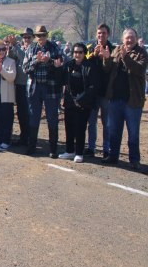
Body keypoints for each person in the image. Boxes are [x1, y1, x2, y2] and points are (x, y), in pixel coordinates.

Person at [102, 28, 148, 169]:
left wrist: (126, 57)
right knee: (114, 131)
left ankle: (134, 160)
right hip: (115, 99)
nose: (129, 40)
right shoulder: (117, 50)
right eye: (127, 37)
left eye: (132, 37)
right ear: (123, 39)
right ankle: (113, 156)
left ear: (136, 38)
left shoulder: (142, 53)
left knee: (133, 133)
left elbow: (139, 70)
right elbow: (107, 70)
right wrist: (106, 58)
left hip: (132, 100)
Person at [23, 25, 64, 158]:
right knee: (34, 117)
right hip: (35, 87)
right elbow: (25, 68)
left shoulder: (54, 47)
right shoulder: (31, 49)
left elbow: (62, 63)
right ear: (36, 37)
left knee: (52, 118)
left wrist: (49, 61)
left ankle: (53, 149)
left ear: (47, 35)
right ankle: (31, 146)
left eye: (43, 35)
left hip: (50, 87)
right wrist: (36, 60)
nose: (41, 38)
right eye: (39, 36)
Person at [58, 42, 98, 163]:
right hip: (70, 101)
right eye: (75, 52)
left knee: (80, 128)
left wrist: (80, 99)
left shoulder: (89, 66)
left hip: (83, 103)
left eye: (80, 52)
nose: (77, 54)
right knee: (69, 127)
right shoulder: (69, 65)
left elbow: (92, 86)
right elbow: (62, 80)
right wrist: (58, 68)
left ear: (84, 53)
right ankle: (70, 151)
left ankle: (79, 152)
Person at [85, 23, 114, 158]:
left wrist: (106, 58)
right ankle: (91, 147)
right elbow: (84, 65)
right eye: (99, 33)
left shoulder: (113, 49)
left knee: (106, 122)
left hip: (106, 92)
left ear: (108, 34)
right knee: (92, 122)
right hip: (93, 91)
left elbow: (112, 69)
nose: (101, 35)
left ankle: (106, 149)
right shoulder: (90, 47)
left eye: (103, 33)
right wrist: (94, 55)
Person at [7, 29, 32, 146]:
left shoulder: (33, 49)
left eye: (28, 37)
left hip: (30, 86)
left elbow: (24, 57)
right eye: (25, 37)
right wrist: (11, 48)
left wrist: (14, 45)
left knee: (29, 113)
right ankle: (23, 137)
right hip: (20, 85)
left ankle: (29, 138)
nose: (26, 39)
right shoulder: (20, 48)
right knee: (21, 113)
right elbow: (12, 58)